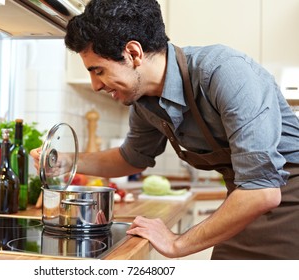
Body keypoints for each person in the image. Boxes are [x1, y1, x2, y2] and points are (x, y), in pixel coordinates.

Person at [30, 0, 299, 259]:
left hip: (288, 202)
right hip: (244, 203)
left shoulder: (225, 72)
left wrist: (177, 243)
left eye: (98, 70)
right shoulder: (144, 102)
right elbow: (130, 158)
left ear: (133, 53)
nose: (95, 85)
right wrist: (66, 162)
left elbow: (263, 191)